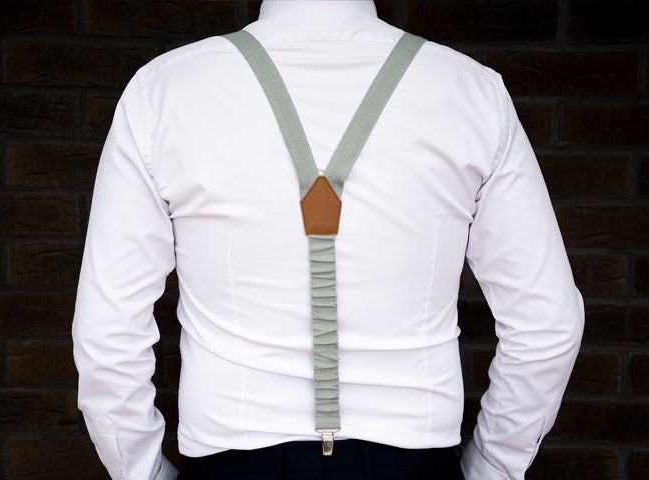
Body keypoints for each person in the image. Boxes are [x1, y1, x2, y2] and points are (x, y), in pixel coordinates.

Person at [72, 1, 584, 479]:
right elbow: (547, 322)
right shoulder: (470, 92)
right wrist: (492, 465)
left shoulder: (164, 92)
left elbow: (107, 332)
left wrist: (143, 471)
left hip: (232, 463)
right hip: (412, 463)